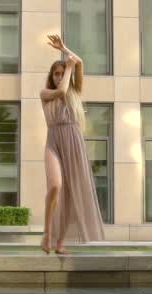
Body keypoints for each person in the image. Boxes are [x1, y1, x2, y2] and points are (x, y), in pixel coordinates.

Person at [39, 34, 106, 255]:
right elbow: (60, 91)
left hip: (73, 141)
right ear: (52, 77)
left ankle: (59, 243)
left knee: (70, 194)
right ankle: (47, 232)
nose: (59, 77)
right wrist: (67, 66)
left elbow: (80, 62)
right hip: (54, 141)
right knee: (56, 185)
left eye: (61, 73)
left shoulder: (76, 93)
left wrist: (64, 48)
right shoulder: (46, 92)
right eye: (55, 74)